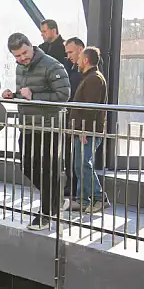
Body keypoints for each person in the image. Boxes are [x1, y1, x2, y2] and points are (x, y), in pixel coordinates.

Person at [2, 33, 71, 231]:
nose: (22, 58)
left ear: (31, 46)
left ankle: (46, 213)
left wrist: (35, 96)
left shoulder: (53, 65)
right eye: (17, 56)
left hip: (49, 126)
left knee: (47, 169)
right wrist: (12, 95)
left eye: (24, 53)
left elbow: (63, 95)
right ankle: (56, 201)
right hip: (29, 124)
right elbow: (25, 94)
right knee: (27, 166)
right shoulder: (20, 68)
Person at [65, 46, 111, 213]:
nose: (76, 61)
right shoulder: (89, 77)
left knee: (84, 164)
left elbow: (90, 108)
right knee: (79, 165)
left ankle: (100, 198)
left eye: (79, 58)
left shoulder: (94, 79)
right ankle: (82, 200)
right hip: (82, 130)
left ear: (85, 60)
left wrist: (84, 130)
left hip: (88, 131)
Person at [62, 36, 86, 198]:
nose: (69, 55)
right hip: (70, 117)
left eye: (71, 52)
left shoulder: (90, 70)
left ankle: (80, 190)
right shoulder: (70, 68)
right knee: (69, 154)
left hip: (81, 119)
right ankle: (71, 185)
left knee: (80, 157)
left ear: (80, 49)